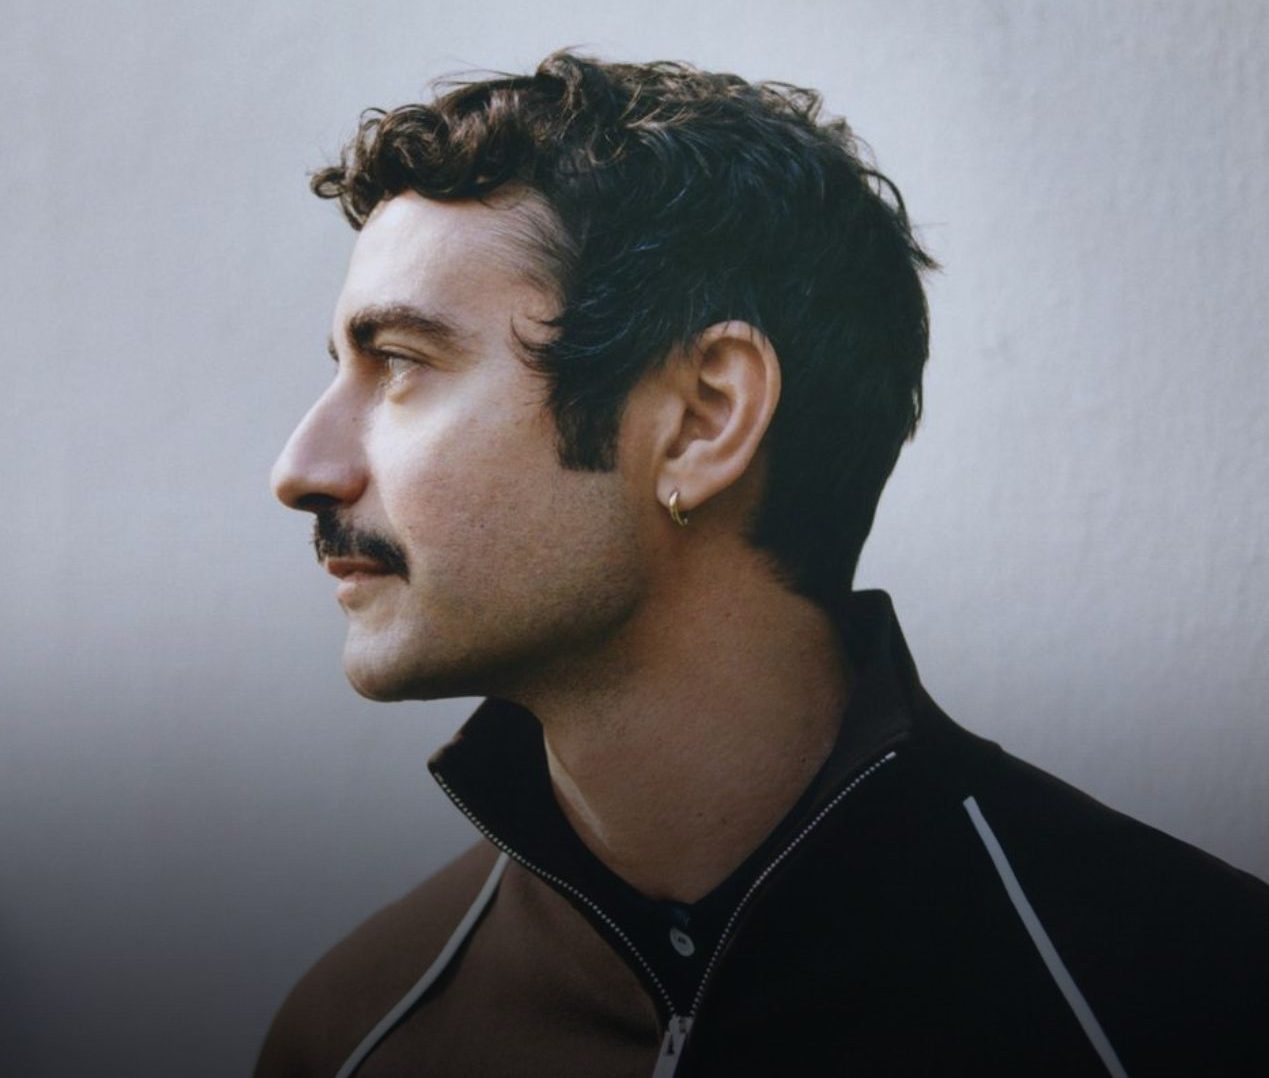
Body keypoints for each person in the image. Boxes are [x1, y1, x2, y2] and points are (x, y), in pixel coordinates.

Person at [259, 51, 1269, 1077]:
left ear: (704, 420)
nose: (300, 470)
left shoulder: (1190, 1000)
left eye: (402, 362)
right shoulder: (351, 1034)